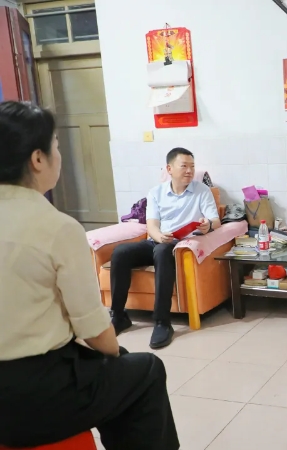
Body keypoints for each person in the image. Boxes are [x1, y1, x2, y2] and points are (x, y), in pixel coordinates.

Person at [0, 101, 179, 449]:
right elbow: (94, 330)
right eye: (56, 145)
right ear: (37, 159)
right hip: (32, 395)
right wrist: (113, 353)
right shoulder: (56, 227)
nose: (59, 156)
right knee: (144, 371)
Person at [110, 147, 220, 349]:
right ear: (169, 169)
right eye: (184, 166)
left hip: (181, 245)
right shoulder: (156, 192)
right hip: (158, 240)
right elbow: (152, 224)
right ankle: (118, 316)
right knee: (120, 252)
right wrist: (159, 236)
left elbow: (215, 220)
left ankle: (162, 322)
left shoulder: (202, 191)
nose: (189, 170)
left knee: (162, 251)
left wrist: (208, 225)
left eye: (192, 166)